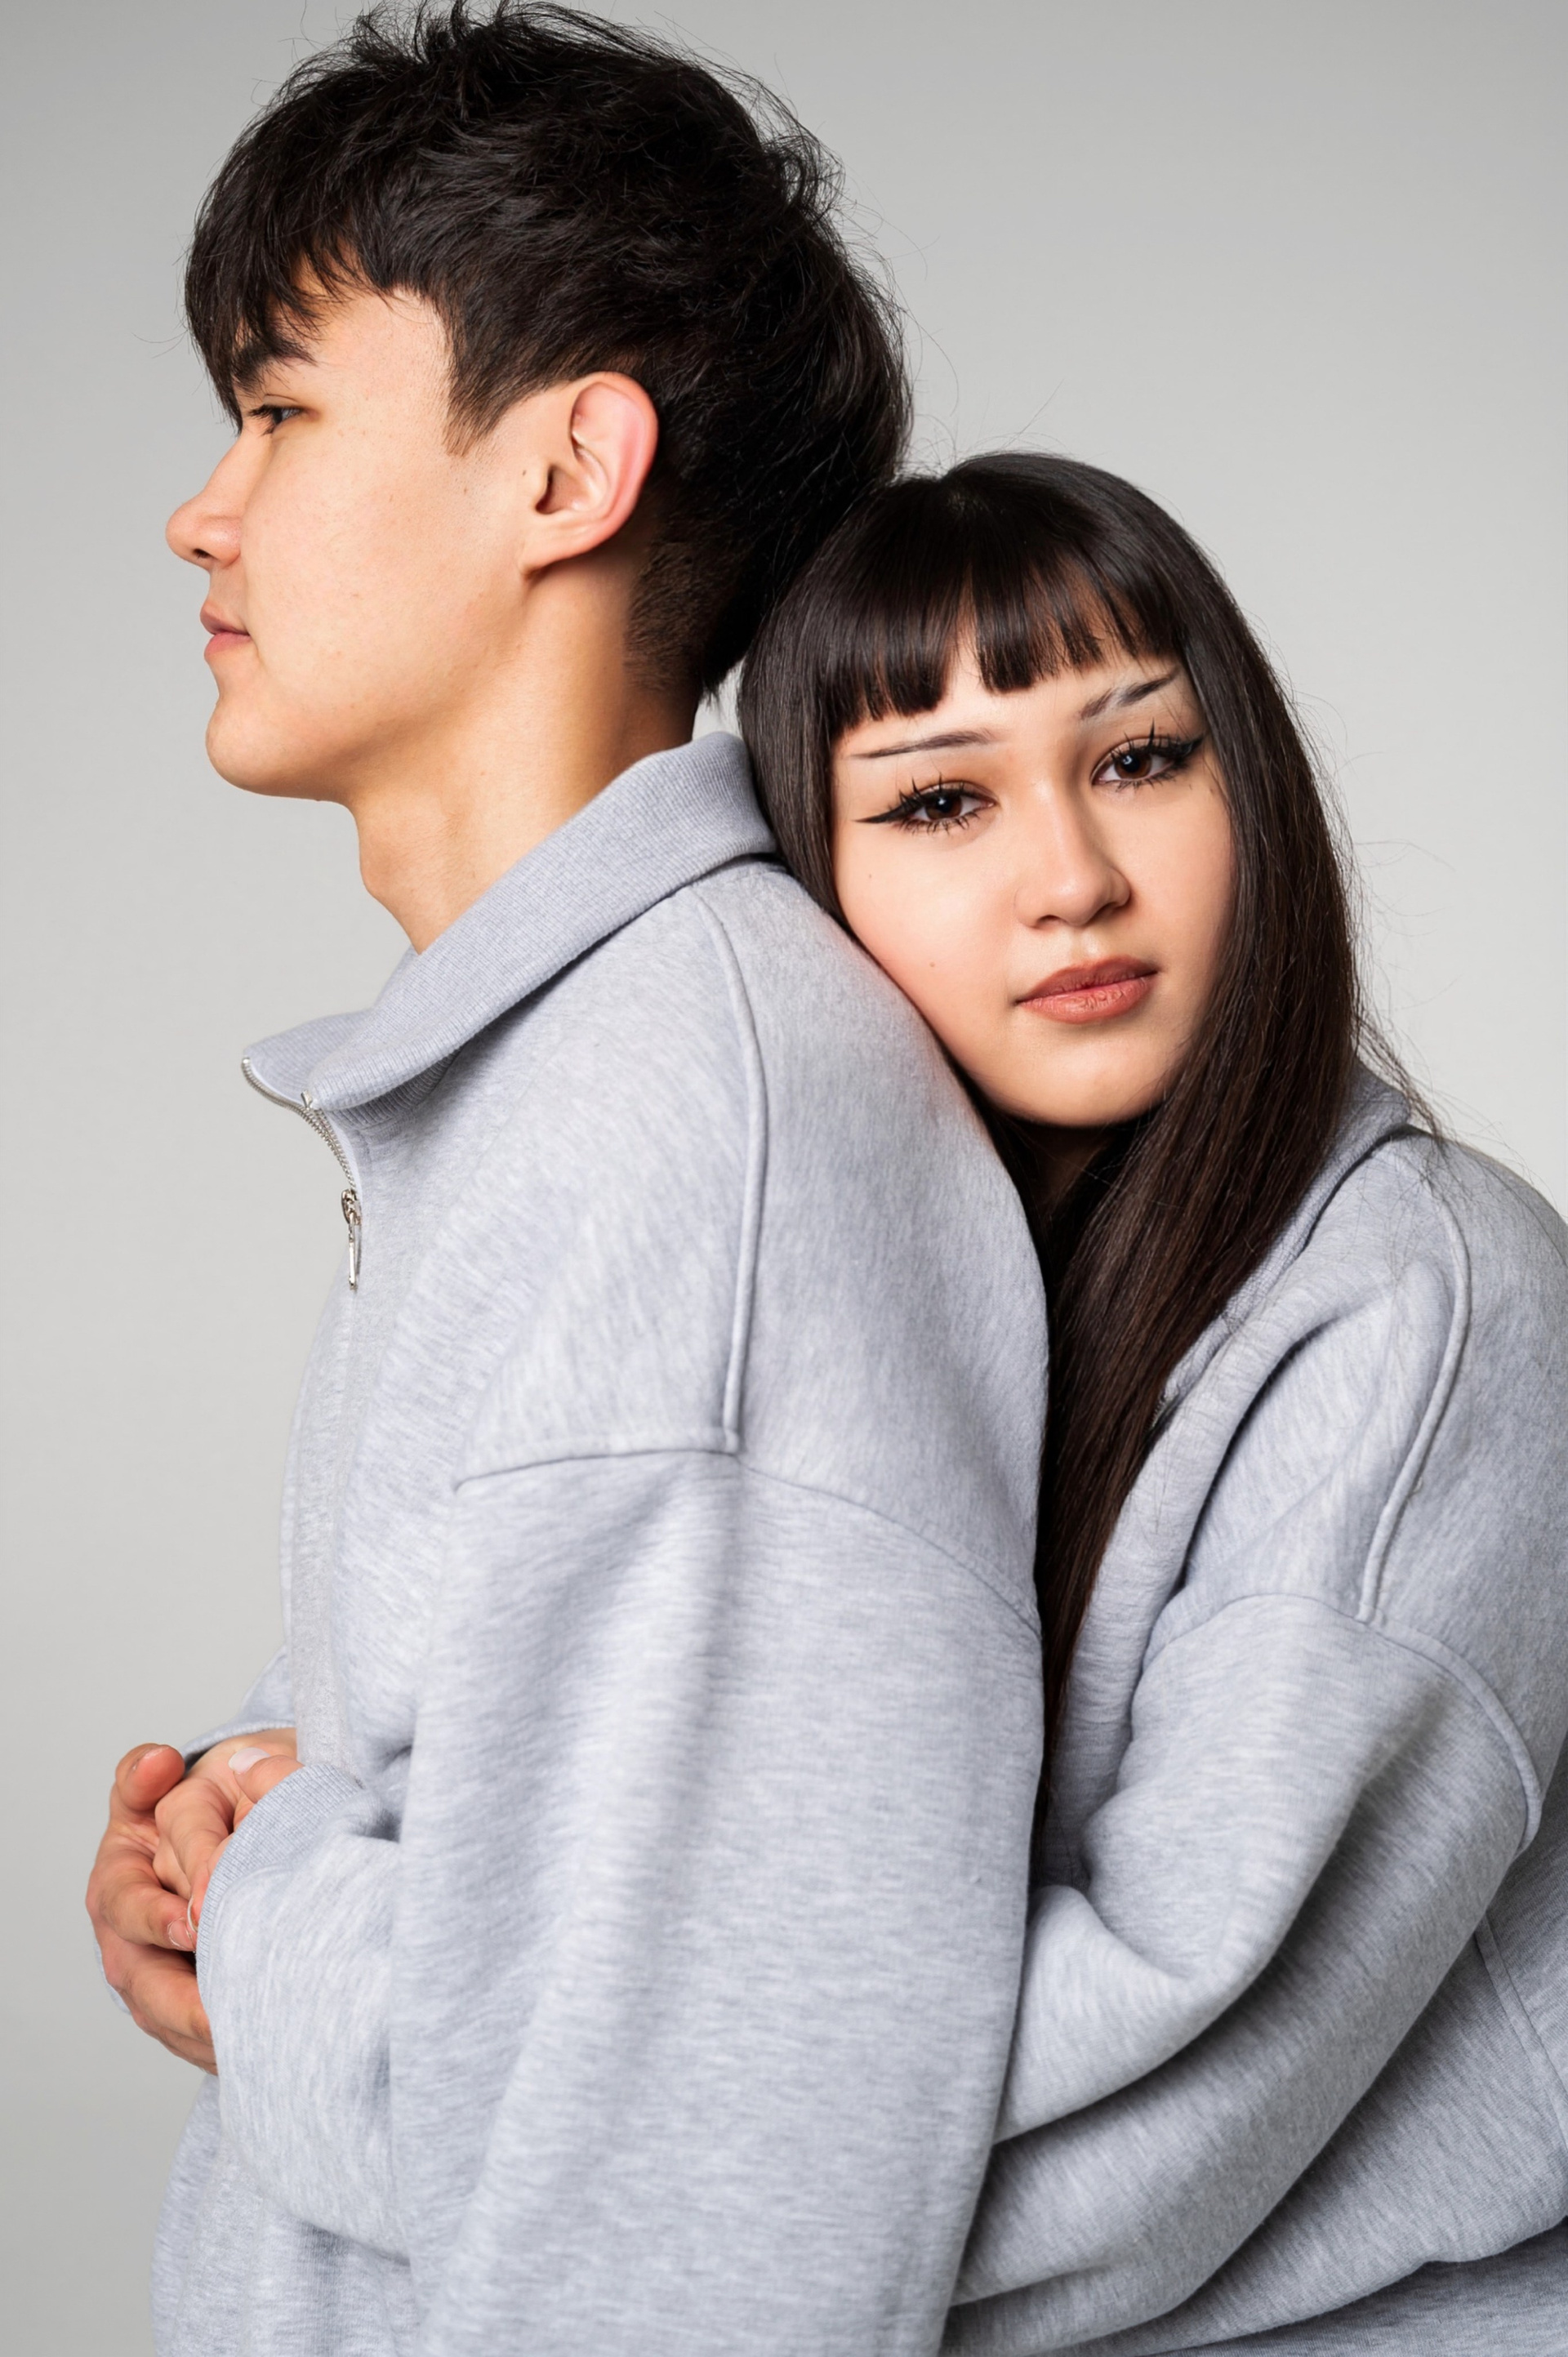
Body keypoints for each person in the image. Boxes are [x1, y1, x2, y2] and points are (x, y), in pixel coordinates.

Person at [83, 15, 1050, 2355]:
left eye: (281, 409)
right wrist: (246, 1816)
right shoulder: (570, 1073)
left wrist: (278, 1898)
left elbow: (697, 2209)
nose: (202, 511)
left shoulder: (690, 1123)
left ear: (565, 469)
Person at [740, 452, 1568, 2353]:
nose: (1074, 880)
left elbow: (1149, 2139)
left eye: (1139, 758)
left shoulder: (1427, 1314)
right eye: (942, 799)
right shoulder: (860, 1287)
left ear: (1246, 786)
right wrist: (273, 1810)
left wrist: (506, 2135)